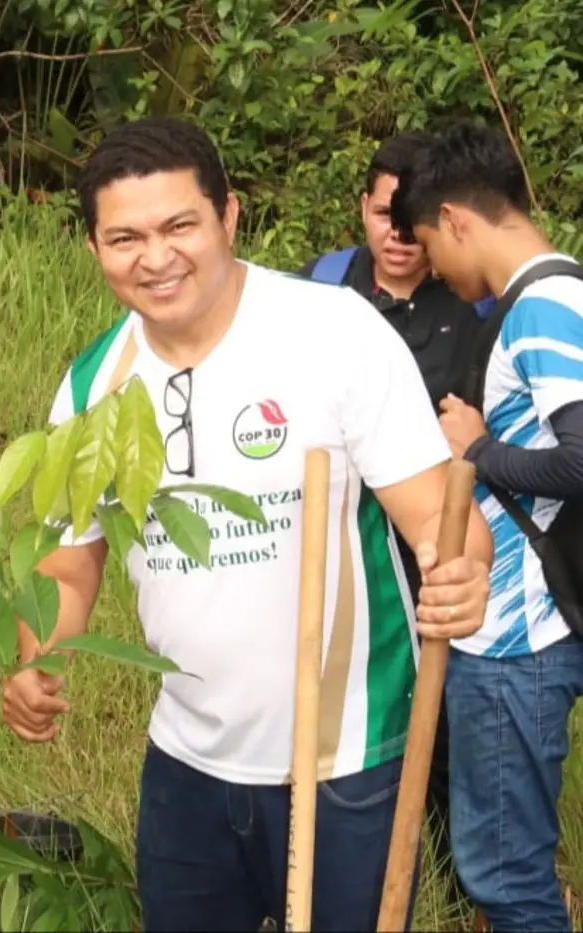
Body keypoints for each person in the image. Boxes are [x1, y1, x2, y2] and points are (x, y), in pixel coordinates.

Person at [0, 116, 495, 932]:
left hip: (346, 759)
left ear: (228, 217)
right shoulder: (94, 381)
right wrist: (34, 663)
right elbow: (68, 559)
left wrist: (461, 574)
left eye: (178, 226)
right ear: (93, 248)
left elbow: (440, 519)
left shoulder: (332, 334)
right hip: (187, 760)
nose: (155, 258)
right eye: (124, 237)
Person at [390, 121, 583, 933]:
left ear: (458, 219)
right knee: (506, 864)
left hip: (517, 638)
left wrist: (478, 446)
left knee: (502, 872)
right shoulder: (562, 293)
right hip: (525, 627)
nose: (433, 265)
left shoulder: (544, 305)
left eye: (432, 242)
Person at [298, 131, 488, 885]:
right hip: (330, 535)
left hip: (427, 540)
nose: (398, 235)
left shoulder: (469, 306)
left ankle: (435, 861)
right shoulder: (320, 293)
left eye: (412, 220)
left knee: (437, 707)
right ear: (363, 211)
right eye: (384, 214)